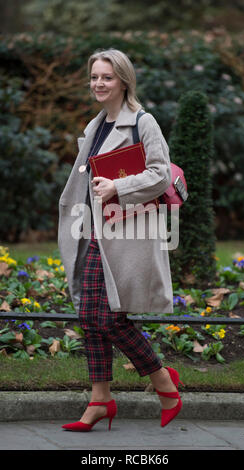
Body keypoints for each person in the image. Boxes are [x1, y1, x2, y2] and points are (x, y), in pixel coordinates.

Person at [58, 49, 183, 432]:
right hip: (93, 227)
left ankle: (163, 381)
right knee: (89, 314)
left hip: (125, 231)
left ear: (124, 81)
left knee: (106, 316)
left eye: (106, 77)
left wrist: (119, 185)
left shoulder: (144, 123)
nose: (98, 83)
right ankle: (99, 401)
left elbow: (161, 175)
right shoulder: (96, 126)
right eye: (94, 77)